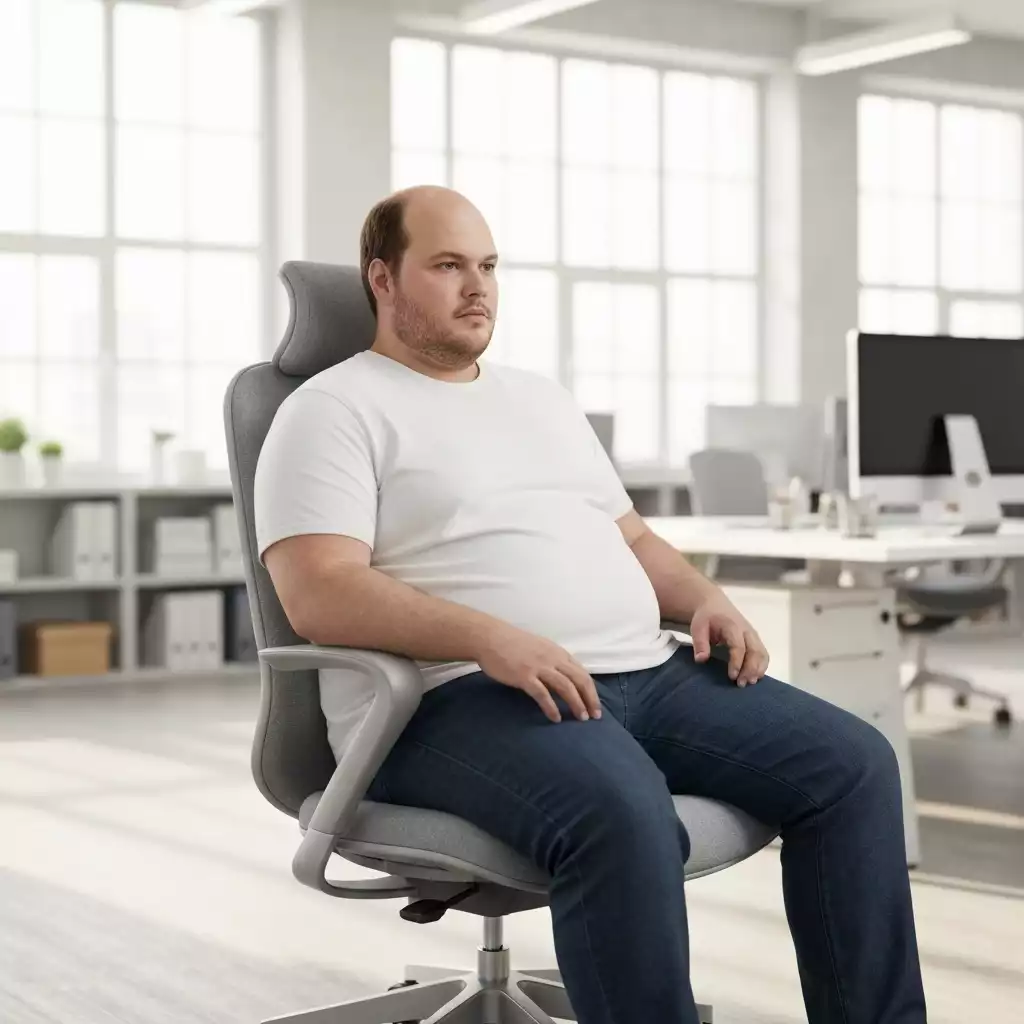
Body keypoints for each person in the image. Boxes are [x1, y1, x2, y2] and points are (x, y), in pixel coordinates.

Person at [254, 186, 927, 1024]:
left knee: (855, 765)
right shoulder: (330, 409)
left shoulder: (539, 398)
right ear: (382, 279)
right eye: (449, 265)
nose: (478, 287)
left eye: (488, 266)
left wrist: (705, 597)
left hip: (647, 673)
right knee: (622, 809)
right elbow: (319, 592)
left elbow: (633, 539)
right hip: (454, 698)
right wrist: (491, 638)